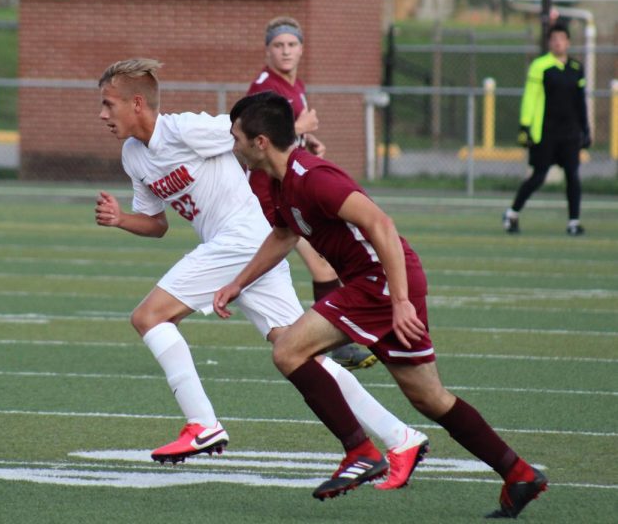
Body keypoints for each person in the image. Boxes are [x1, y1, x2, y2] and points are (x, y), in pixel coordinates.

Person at [95, 59, 428, 489]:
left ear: (136, 102)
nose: (102, 115)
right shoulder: (133, 156)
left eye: (107, 104)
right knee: (301, 351)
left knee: (148, 317)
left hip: (242, 238)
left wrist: (298, 134)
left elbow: (255, 135)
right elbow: (156, 224)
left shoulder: (184, 130)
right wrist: (122, 219)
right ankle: (401, 437)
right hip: (245, 249)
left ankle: (203, 424)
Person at [215, 91, 547, 517]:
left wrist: (401, 301)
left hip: (380, 284)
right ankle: (517, 473)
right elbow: (284, 235)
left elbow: (381, 224)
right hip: (378, 285)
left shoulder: (313, 176)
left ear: (260, 142)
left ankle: (360, 452)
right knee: (430, 398)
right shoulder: (276, 183)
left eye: (237, 137)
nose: (233, 145)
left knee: (288, 349)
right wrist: (238, 284)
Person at [248, 16, 376, 371]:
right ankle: (333, 343)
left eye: (291, 45)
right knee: (320, 263)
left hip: (291, 189)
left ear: (301, 49)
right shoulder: (264, 88)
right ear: (267, 50)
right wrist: (299, 127)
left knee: (325, 262)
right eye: (279, 45)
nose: (286, 51)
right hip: (269, 195)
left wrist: (307, 139)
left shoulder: (295, 84)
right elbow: (255, 134)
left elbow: (286, 136)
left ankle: (335, 339)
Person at [503, 22, 591, 236]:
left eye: (561, 38)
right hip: (545, 132)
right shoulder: (540, 66)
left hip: (569, 133)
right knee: (539, 175)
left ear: (568, 42)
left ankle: (573, 221)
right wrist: (525, 126)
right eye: (554, 39)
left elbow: (580, 102)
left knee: (572, 175)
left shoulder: (576, 68)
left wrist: (585, 128)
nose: (558, 42)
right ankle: (512, 213)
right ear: (549, 42)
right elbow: (530, 98)